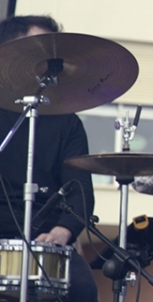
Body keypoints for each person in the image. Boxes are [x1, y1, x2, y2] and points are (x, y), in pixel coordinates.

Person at [0, 15, 99, 302]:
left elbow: (80, 191)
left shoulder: (67, 123)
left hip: (45, 238)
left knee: (81, 288)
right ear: (8, 52)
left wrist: (61, 231)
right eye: (39, 49)